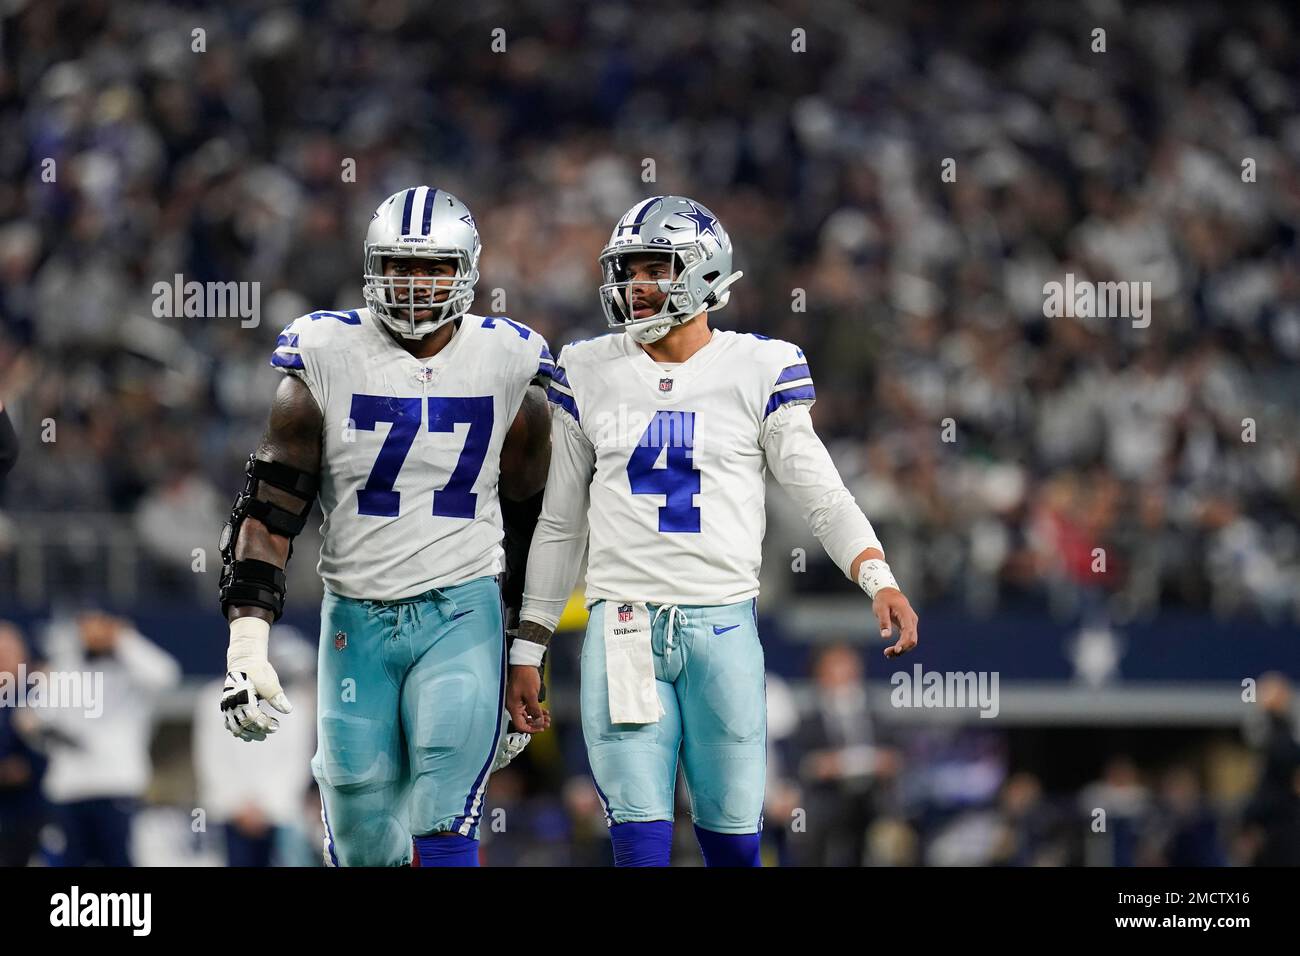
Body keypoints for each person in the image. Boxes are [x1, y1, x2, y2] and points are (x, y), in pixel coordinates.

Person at [508, 196, 919, 867]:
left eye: (654, 268)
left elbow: (822, 493)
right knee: (638, 845)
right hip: (623, 629)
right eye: (628, 270)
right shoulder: (588, 367)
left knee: (733, 846)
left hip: (722, 626)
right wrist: (531, 646)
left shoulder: (758, 367)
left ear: (704, 273)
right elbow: (560, 524)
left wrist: (877, 575)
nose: (636, 285)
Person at [217, 187, 552, 867]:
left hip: (464, 609)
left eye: (432, 267)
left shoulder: (510, 362)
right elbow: (270, 510)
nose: (415, 283)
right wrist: (247, 644)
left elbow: (532, 525)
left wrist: (525, 652)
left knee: (443, 810)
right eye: (400, 265)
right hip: (356, 619)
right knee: (363, 829)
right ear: (373, 267)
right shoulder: (325, 352)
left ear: (467, 269)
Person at [36, 611, 180, 867]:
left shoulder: (132, 673)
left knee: (119, 861)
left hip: (115, 787)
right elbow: (38, 716)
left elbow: (167, 676)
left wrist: (124, 639)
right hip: (70, 789)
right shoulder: (66, 669)